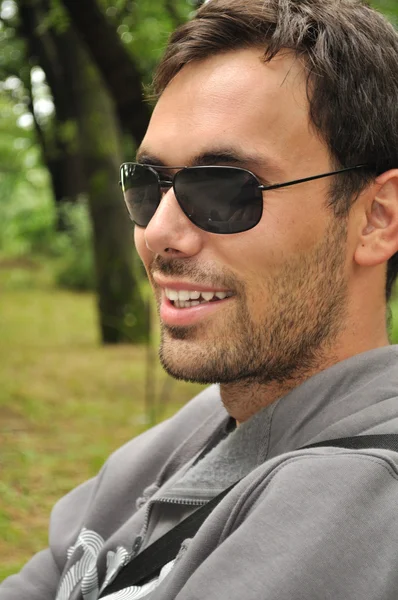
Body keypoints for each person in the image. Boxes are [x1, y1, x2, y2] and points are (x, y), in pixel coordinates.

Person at [3, 0, 398, 598]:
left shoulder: (359, 494)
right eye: (147, 185)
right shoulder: (220, 416)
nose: (158, 231)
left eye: (223, 187)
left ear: (376, 218)